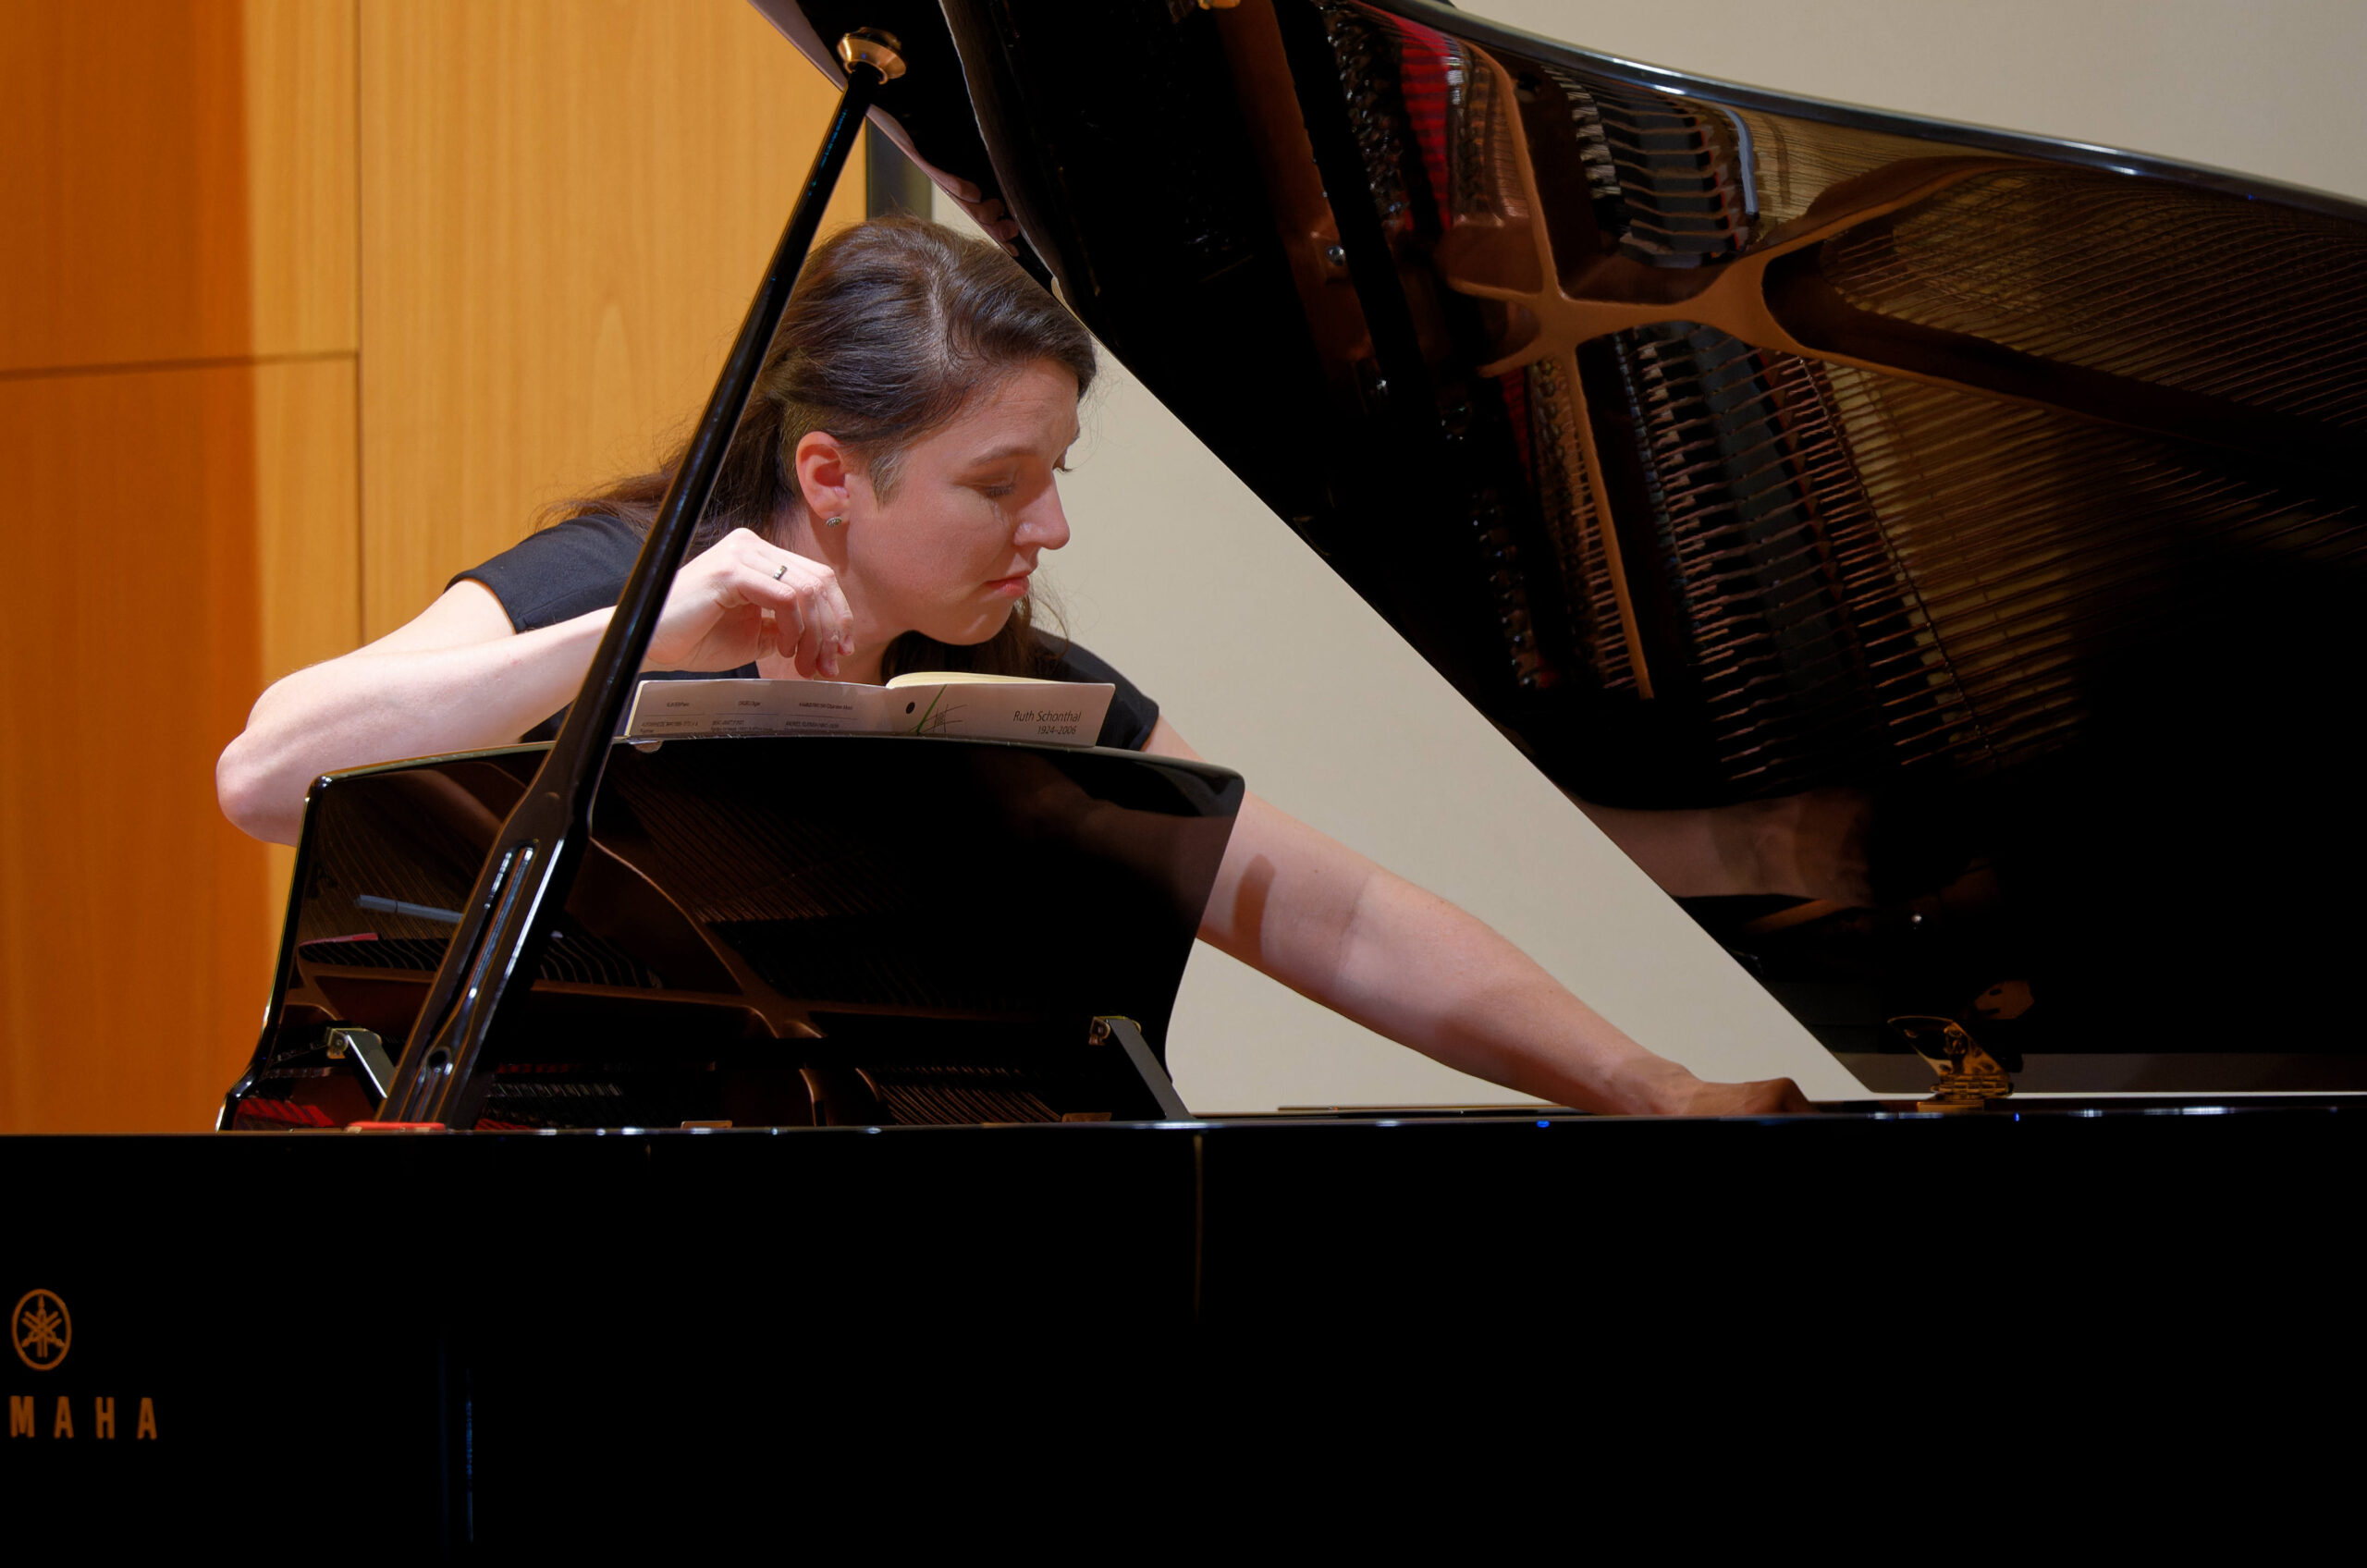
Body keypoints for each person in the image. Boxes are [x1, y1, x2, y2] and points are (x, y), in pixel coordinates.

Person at [216, 215, 1807, 1117]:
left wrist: (1644, 1089)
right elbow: (268, 776)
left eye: (1053, 475)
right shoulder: (603, 586)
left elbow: (1328, 909)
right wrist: (625, 644)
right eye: (997, 483)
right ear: (833, 476)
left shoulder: (1024, 689)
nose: (1045, 525)